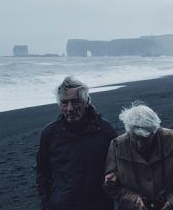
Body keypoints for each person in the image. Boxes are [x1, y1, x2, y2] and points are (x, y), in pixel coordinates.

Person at [36, 76, 117, 210]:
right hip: (62, 205)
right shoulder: (50, 134)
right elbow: (43, 173)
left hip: (99, 204)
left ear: (86, 102)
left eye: (75, 102)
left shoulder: (105, 130)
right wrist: (46, 204)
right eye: (64, 103)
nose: (70, 108)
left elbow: (119, 168)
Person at [104, 103, 173, 210]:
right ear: (128, 131)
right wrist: (133, 200)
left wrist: (172, 202)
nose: (140, 144)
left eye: (145, 139)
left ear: (155, 131)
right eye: (135, 138)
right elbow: (111, 186)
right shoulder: (117, 146)